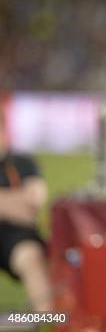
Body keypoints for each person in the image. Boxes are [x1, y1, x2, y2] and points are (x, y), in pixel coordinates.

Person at [0, 111, 52, 312]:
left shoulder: (22, 162)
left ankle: (46, 317)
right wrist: (14, 201)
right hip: (15, 223)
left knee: (31, 256)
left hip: (16, 234)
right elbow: (24, 203)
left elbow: (33, 204)